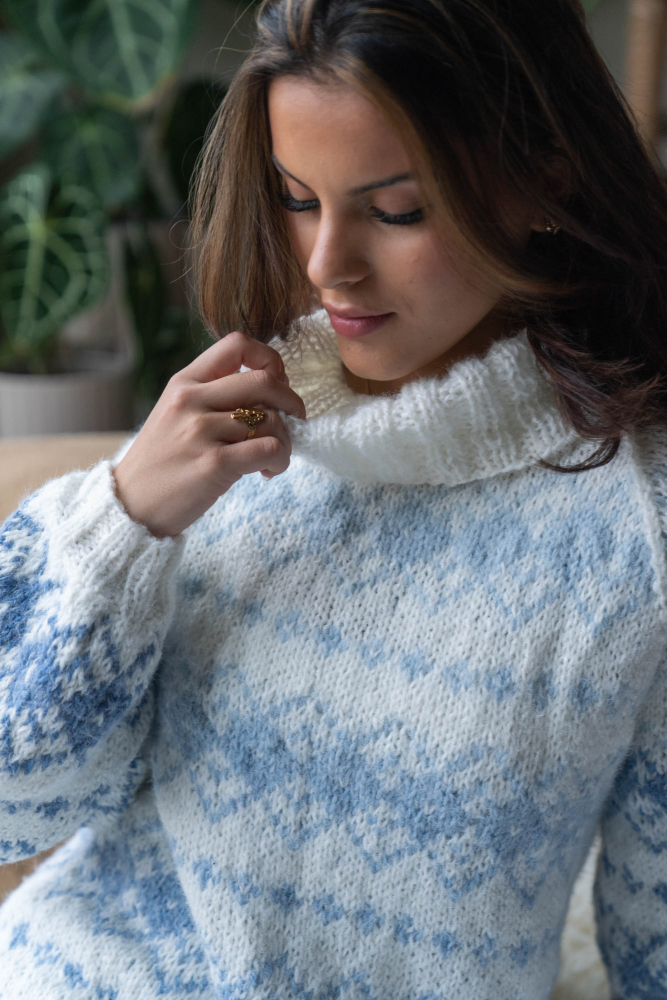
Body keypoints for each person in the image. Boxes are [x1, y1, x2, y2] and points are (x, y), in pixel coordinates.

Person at [1, 0, 667, 996]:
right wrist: (121, 521)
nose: (325, 266)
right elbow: (16, 809)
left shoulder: (638, 527)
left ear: (547, 178)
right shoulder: (220, 435)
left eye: (395, 210)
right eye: (296, 197)